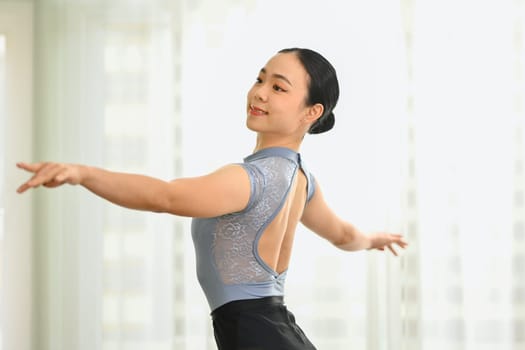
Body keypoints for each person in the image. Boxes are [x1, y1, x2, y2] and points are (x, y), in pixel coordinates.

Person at [17, 47, 407, 349]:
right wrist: (373, 240)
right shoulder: (302, 180)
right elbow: (342, 235)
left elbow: (164, 197)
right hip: (278, 331)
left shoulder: (249, 179)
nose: (259, 93)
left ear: (312, 112)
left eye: (278, 87)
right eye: (260, 79)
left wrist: (83, 174)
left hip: (257, 336)